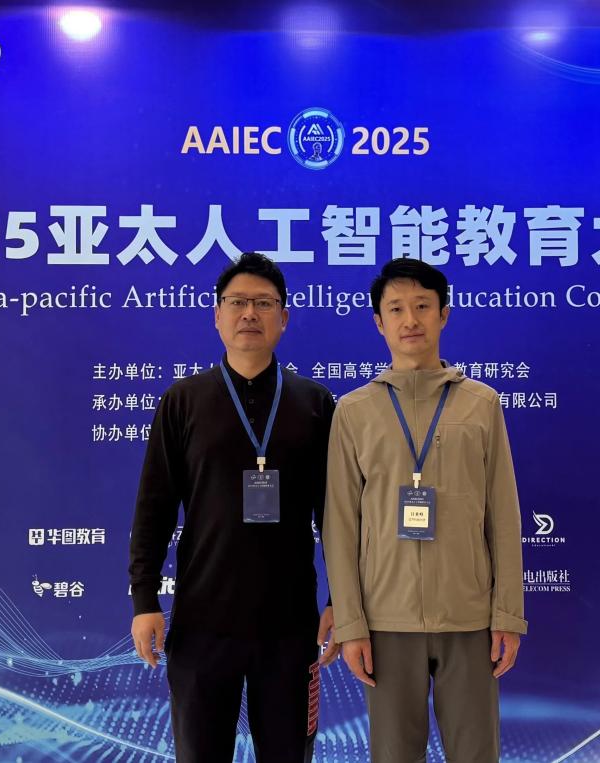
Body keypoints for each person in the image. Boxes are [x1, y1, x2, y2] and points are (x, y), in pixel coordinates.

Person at [128, 252, 338, 763]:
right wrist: (145, 600)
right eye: (237, 302)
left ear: (283, 318)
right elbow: (154, 508)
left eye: (263, 303)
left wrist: (342, 600)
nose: (249, 313)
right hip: (202, 623)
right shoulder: (183, 401)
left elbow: (336, 517)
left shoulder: (315, 404)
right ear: (217, 315)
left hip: (290, 626)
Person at [323, 257, 527, 763]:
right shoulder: (354, 411)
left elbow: (503, 516)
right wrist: (351, 625)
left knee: (476, 754)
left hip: (469, 618)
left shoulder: (480, 403)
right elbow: (340, 527)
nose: (409, 319)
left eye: (422, 306)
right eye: (396, 309)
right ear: (379, 322)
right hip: (385, 622)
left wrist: (507, 615)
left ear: (444, 315)